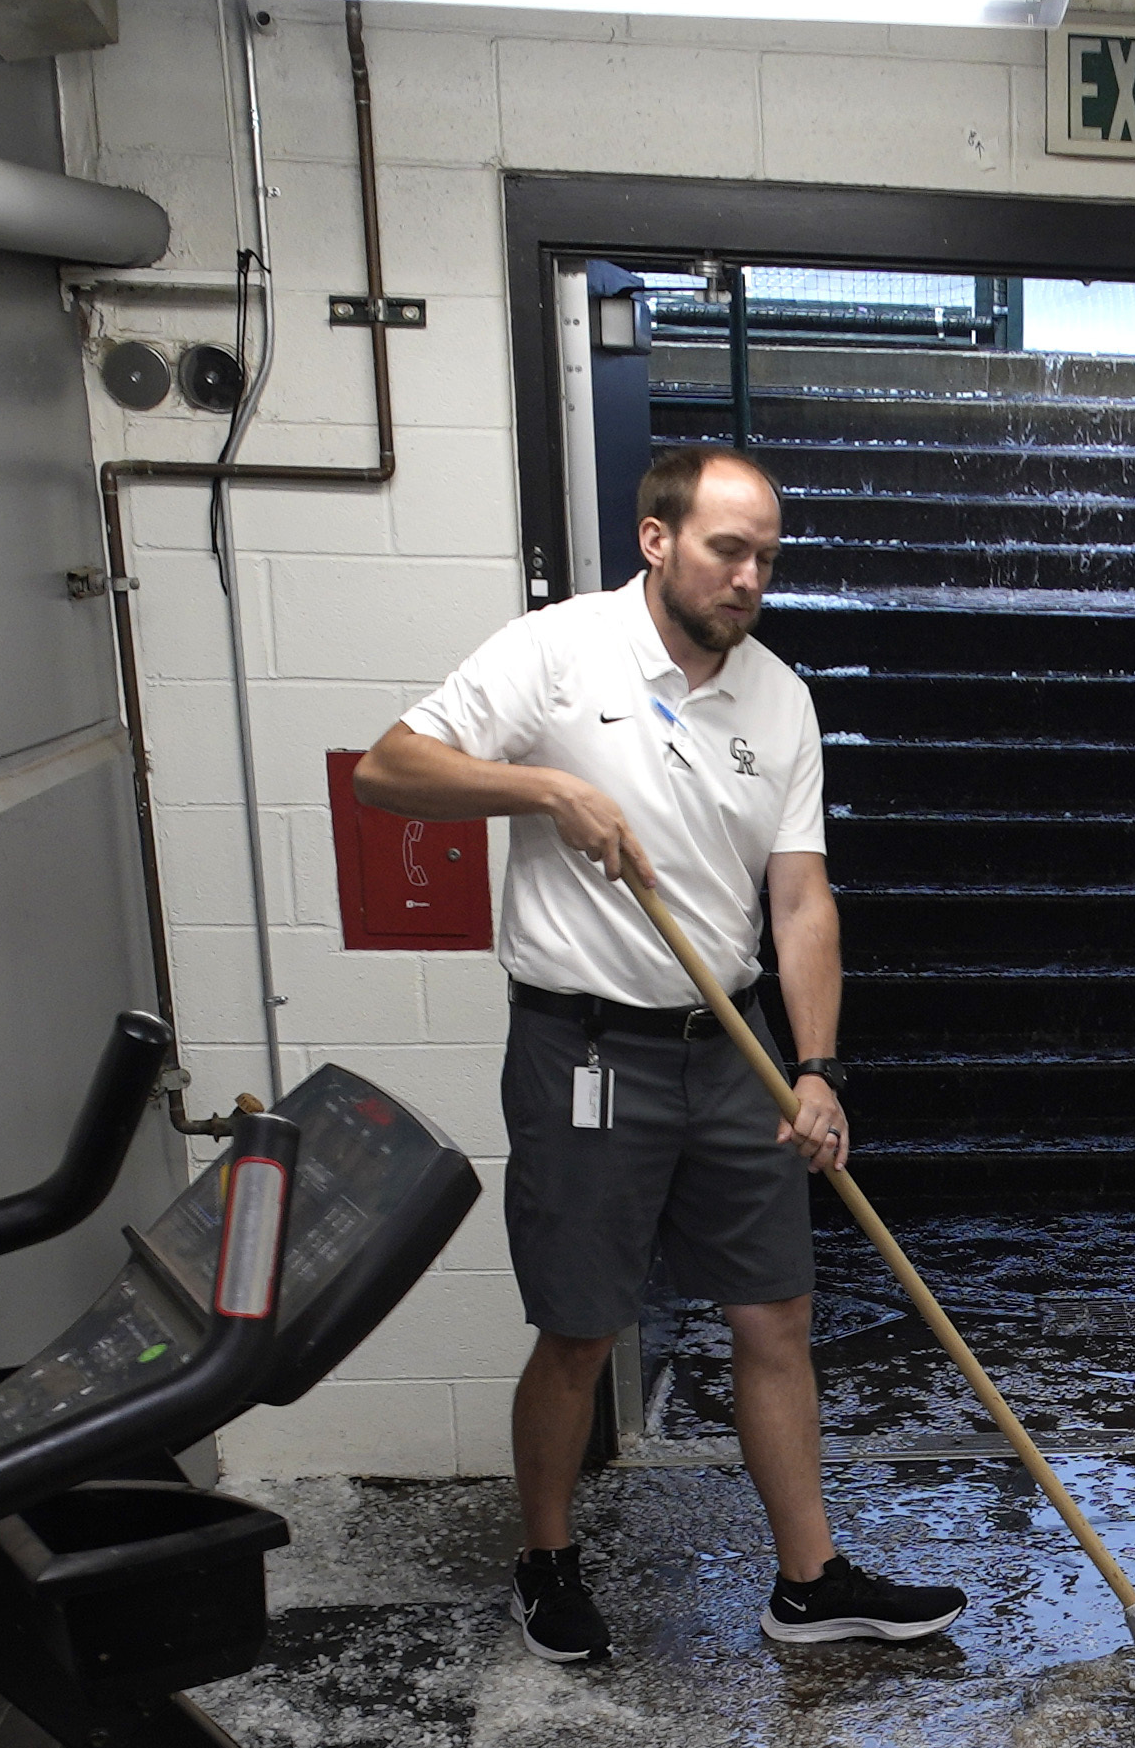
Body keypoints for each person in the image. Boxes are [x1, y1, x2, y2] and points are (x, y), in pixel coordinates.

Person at [348, 444, 965, 1666]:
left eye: (768, 560)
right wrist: (541, 791)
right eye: (729, 550)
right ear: (657, 540)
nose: (749, 578)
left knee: (775, 1317)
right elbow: (387, 771)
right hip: (585, 1048)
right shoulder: (557, 650)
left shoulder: (779, 699)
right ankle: (547, 1559)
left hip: (729, 1051)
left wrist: (819, 1068)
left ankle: (809, 1582)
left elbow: (799, 902)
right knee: (582, 1330)